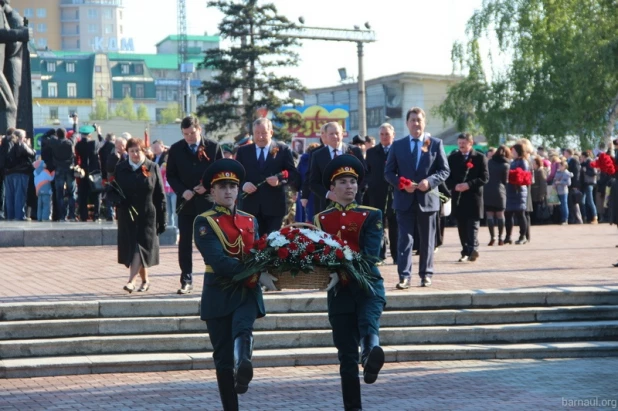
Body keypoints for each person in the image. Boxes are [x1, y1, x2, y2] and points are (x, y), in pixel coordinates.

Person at [193, 158, 270, 410]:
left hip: (247, 290)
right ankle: (232, 400)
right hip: (218, 290)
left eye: (232, 186)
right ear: (212, 192)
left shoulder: (250, 220)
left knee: (242, 329)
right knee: (222, 361)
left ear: (238, 190)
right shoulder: (204, 221)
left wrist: (268, 269)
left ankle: (243, 362)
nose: (228, 191)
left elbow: (258, 251)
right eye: (222, 187)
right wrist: (254, 272)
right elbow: (217, 259)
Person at [314, 154, 386, 411]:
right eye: (343, 182)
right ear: (332, 189)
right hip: (338, 293)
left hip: (367, 286)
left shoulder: (371, 215)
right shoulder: (321, 219)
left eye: (353, 182)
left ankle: (370, 355)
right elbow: (318, 255)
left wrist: (342, 267)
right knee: (346, 356)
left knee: (368, 324)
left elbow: (371, 254)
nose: (349, 186)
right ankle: (352, 407)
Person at [384, 107, 450, 288]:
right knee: (404, 240)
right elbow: (388, 172)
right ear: (407, 123)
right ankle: (404, 277)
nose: (416, 123)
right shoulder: (398, 145)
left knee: (427, 240)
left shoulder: (435, 143)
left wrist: (430, 181)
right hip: (404, 200)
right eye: (412, 120)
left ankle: (426, 274)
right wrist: (401, 184)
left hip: (427, 200)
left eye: (419, 120)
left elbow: (444, 170)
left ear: (424, 122)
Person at [166, 116, 223, 294]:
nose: (189, 137)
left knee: (209, 239)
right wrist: (183, 191)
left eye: (192, 133)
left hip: (207, 202)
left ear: (200, 130)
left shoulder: (213, 147)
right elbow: (171, 175)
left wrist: (207, 186)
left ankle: (214, 277)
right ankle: (186, 279)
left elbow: (220, 171)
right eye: (185, 134)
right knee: (185, 242)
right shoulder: (176, 149)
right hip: (186, 202)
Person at [113, 138, 166, 293]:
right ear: (127, 152)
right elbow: (114, 189)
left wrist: (163, 219)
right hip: (127, 215)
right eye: (132, 151)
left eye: (138, 150)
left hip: (147, 216)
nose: (135, 154)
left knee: (139, 247)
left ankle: (131, 281)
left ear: (143, 151)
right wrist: (118, 201)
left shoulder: (152, 167)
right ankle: (145, 280)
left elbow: (160, 195)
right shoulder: (121, 168)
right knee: (134, 249)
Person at [235, 117, 299, 237]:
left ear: (271, 132)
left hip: (274, 206)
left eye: (264, 133)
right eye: (257, 133)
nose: (260, 137)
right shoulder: (243, 151)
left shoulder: (282, 150)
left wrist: (279, 180)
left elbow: (293, 173)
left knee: (272, 244)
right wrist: (243, 184)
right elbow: (236, 175)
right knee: (253, 245)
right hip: (250, 206)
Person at [446, 133, 488, 262]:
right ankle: (465, 250)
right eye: (459, 143)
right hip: (459, 197)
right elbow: (447, 177)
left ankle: (473, 248)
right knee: (462, 225)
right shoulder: (452, 158)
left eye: (464, 143)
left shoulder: (479, 158)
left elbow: (485, 178)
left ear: (470, 143)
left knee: (473, 225)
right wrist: (455, 186)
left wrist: (468, 185)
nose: (461, 146)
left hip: (474, 197)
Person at [309, 121, 366, 213]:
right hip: (328, 205)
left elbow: (365, 175)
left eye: (337, 133)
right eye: (331, 134)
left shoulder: (355, 151)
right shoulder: (317, 155)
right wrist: (328, 194)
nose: (335, 137)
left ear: (342, 135)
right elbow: (313, 183)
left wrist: (352, 191)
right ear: (325, 136)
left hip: (352, 203)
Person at [364, 123, 397, 264]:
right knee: (378, 225)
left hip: (395, 193)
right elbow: (366, 172)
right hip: (376, 194)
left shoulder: (398, 150)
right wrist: (369, 184)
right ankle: (380, 255)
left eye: (387, 134)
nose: (384, 137)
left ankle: (397, 255)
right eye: (382, 134)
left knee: (395, 226)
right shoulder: (372, 152)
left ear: (393, 135)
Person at [1, 129, 34, 220]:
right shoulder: (21, 144)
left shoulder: (6, 143)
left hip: (8, 173)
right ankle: (19, 216)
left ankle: (10, 216)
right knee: (19, 195)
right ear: (21, 137)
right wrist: (28, 144)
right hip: (20, 172)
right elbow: (32, 154)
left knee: (9, 196)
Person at [75, 125, 103, 222]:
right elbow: (102, 143)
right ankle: (96, 215)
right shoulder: (94, 143)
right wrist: (99, 132)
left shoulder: (78, 145)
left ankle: (84, 216)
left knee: (83, 195)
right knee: (97, 194)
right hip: (94, 171)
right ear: (90, 134)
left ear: (82, 134)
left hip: (83, 172)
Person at [484, 145, 510, 245]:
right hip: (500, 190)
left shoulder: (489, 162)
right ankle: (501, 238)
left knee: (489, 214)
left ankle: (492, 237)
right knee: (500, 214)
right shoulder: (505, 165)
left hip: (488, 189)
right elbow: (505, 180)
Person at [50, 128, 77, 221]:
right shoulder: (70, 142)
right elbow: (75, 134)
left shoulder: (54, 142)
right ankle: (72, 215)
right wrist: (75, 123)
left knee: (60, 194)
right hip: (69, 169)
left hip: (58, 169)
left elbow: (46, 136)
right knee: (71, 193)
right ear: (66, 134)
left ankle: (62, 216)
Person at [505, 144, 530, 244]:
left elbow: (523, 175)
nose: (512, 153)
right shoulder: (513, 162)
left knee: (520, 214)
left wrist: (512, 175)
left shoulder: (523, 162)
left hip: (519, 190)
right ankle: (508, 236)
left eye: (514, 151)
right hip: (511, 190)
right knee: (508, 214)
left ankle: (522, 236)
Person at [99, 132, 116, 221]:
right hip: (113, 174)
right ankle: (113, 213)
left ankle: (109, 213)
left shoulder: (102, 148)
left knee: (107, 194)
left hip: (104, 174)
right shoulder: (114, 147)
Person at [564, 148, 583, 224]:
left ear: (568, 153)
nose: (564, 154)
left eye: (565, 152)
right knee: (571, 202)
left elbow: (576, 174)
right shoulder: (567, 161)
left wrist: (575, 185)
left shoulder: (574, 161)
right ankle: (573, 218)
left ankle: (578, 219)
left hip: (573, 185)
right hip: (569, 185)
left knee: (574, 201)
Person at [580, 150, 599, 224]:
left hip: (589, 183)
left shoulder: (590, 162)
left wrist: (586, 171)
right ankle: (585, 217)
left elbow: (594, 172)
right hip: (585, 183)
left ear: (584, 156)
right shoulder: (584, 163)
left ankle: (595, 217)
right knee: (583, 201)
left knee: (590, 201)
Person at [553, 159, 572, 225]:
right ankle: (561, 219)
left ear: (564, 166)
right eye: (559, 166)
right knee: (560, 206)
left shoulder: (567, 173)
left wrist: (560, 182)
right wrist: (554, 185)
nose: (559, 167)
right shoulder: (558, 172)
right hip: (557, 190)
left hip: (563, 191)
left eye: (561, 166)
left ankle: (565, 219)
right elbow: (554, 180)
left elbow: (568, 183)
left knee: (564, 205)